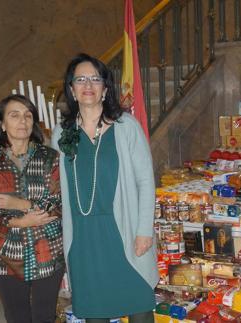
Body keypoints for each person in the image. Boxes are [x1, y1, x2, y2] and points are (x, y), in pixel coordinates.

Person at [52, 53, 158, 322]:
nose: (88, 84)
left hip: (124, 231)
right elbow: (52, 185)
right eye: (80, 79)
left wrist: (144, 230)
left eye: (95, 78)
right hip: (83, 239)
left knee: (140, 310)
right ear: (72, 89)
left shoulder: (126, 127)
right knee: (94, 314)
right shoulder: (60, 134)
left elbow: (145, 180)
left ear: (105, 89)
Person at [0, 94, 64, 323]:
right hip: (7, 255)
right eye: (14, 115)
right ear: (2, 124)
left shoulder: (50, 158)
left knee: (44, 317)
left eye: (28, 115)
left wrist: (20, 205)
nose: (22, 121)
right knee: (17, 318)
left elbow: (60, 204)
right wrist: (21, 221)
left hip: (48, 250)